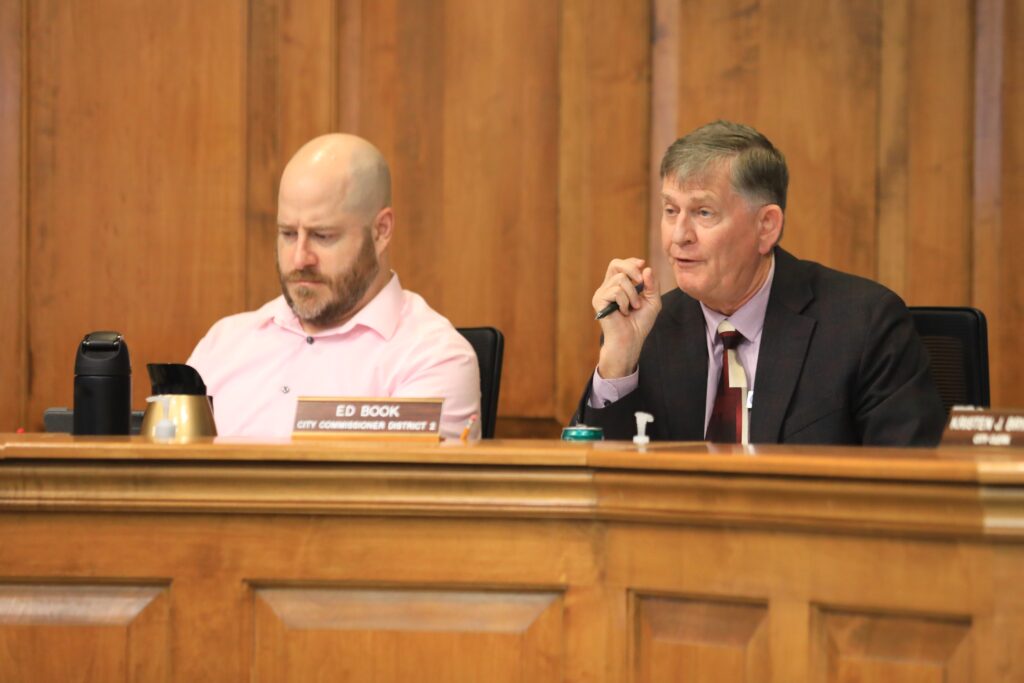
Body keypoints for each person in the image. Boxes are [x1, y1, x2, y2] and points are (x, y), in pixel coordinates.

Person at [575, 120, 945, 445]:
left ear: (766, 226)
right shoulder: (648, 328)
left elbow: (909, 486)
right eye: (671, 211)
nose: (679, 236)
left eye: (704, 212)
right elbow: (594, 488)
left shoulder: (863, 325)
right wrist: (618, 365)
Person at [188, 134, 480, 439]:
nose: (300, 258)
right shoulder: (223, 344)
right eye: (288, 234)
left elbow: (398, 485)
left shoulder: (433, 358)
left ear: (381, 231)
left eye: (323, 236)